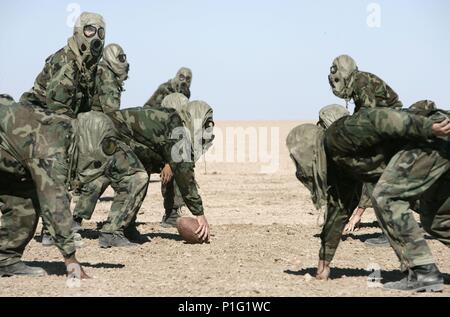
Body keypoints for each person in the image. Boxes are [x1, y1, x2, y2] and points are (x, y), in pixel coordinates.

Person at [297, 105, 450, 292]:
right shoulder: (338, 162)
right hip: (435, 142)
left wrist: (426, 127)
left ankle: (423, 274)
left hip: (432, 134)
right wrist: (325, 259)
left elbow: (377, 117)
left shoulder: (337, 135)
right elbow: (340, 207)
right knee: (438, 220)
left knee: (387, 197)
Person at [20, 12, 105, 118]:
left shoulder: (90, 66)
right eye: (90, 30)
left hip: (56, 118)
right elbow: (58, 108)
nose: (96, 37)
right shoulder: (66, 61)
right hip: (35, 116)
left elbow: (95, 108)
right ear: (79, 32)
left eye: (100, 32)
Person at [328, 54, 403, 113]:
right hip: (383, 111)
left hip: (391, 110)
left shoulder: (360, 80)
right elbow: (360, 107)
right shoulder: (354, 81)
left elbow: (368, 108)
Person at [91, 43, 130, 113]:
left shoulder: (100, 69)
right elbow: (112, 112)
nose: (125, 63)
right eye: (121, 58)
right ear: (111, 57)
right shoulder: (107, 77)